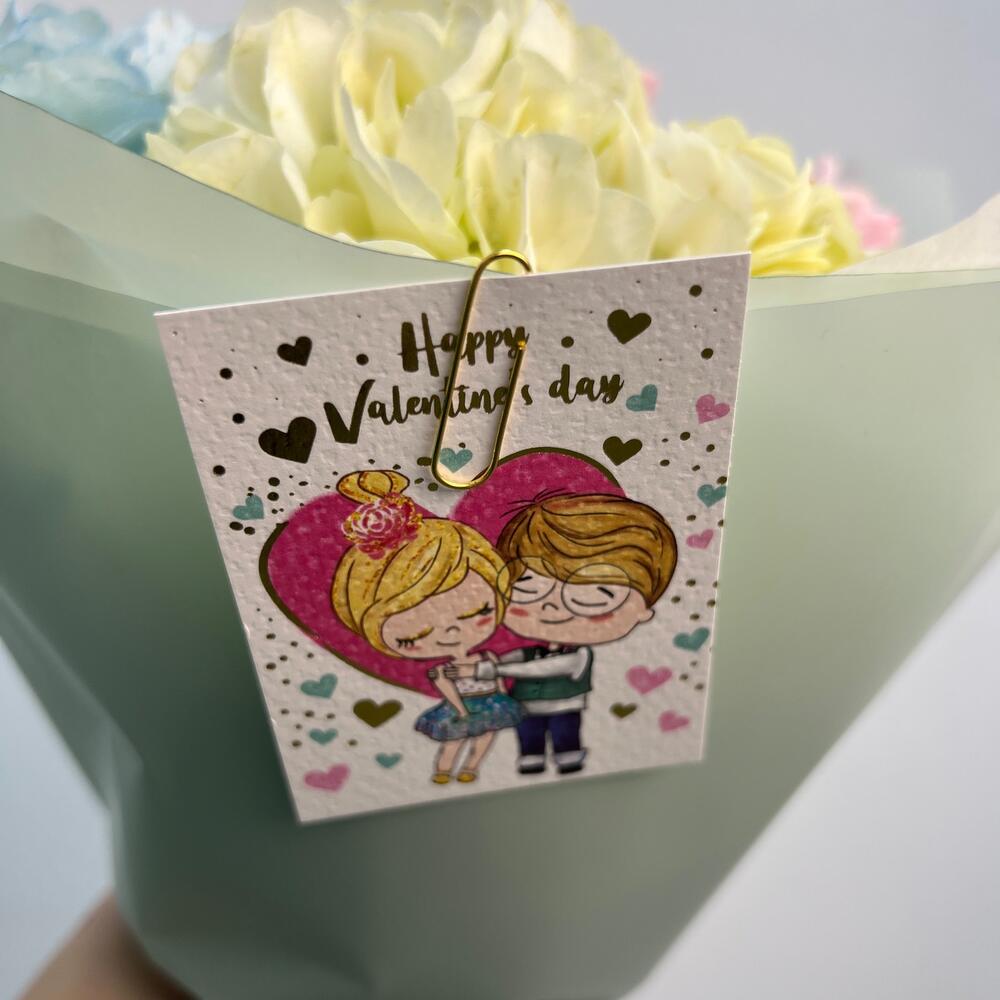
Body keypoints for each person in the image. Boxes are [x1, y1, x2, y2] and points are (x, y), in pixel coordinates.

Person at [452, 491, 676, 775]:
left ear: (643, 611)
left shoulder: (578, 655)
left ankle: (568, 760)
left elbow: (543, 667)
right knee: (529, 737)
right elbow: (519, 657)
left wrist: (491, 670)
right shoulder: (531, 650)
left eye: (594, 595)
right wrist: (484, 663)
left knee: (565, 735)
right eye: (527, 585)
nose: (551, 606)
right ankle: (531, 760)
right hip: (527, 705)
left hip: (564, 706)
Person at [332, 470, 521, 785]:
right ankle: (444, 771)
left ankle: (471, 769)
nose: (452, 633)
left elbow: (499, 682)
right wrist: (461, 711)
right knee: (455, 740)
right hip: (462, 709)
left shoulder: (487, 658)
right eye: (414, 637)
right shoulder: (445, 670)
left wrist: (503, 696)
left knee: (486, 738)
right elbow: (447, 689)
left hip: (492, 703)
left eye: (480, 611)